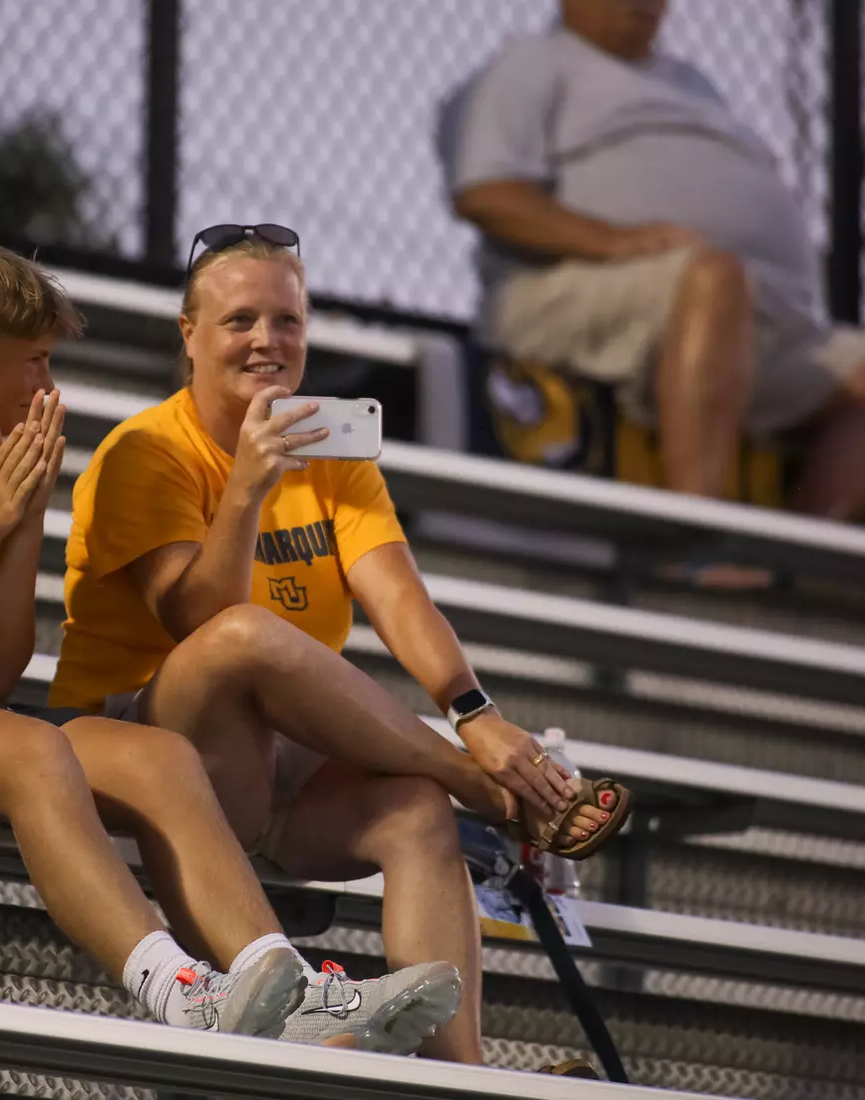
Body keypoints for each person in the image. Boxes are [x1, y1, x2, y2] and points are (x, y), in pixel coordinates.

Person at [0, 240, 459, 1044]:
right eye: (35, 362)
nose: (48, 385)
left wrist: (17, 524)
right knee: (35, 754)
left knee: (161, 759)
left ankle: (279, 982)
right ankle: (176, 987)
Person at [50, 223, 633, 1066]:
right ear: (188, 335)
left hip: (281, 765)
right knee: (246, 634)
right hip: (154, 755)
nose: (268, 341)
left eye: (288, 320)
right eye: (240, 320)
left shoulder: (328, 446)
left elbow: (397, 592)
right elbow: (197, 623)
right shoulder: (146, 451)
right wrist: (247, 487)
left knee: (414, 813)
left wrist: (475, 710)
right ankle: (481, 786)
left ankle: (461, 1078)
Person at [441, 0, 865, 522]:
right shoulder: (531, 64)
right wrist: (616, 242)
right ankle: (699, 535)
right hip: (572, 293)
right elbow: (487, 194)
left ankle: (799, 547)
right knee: (714, 280)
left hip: (745, 315)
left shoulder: (691, 84)